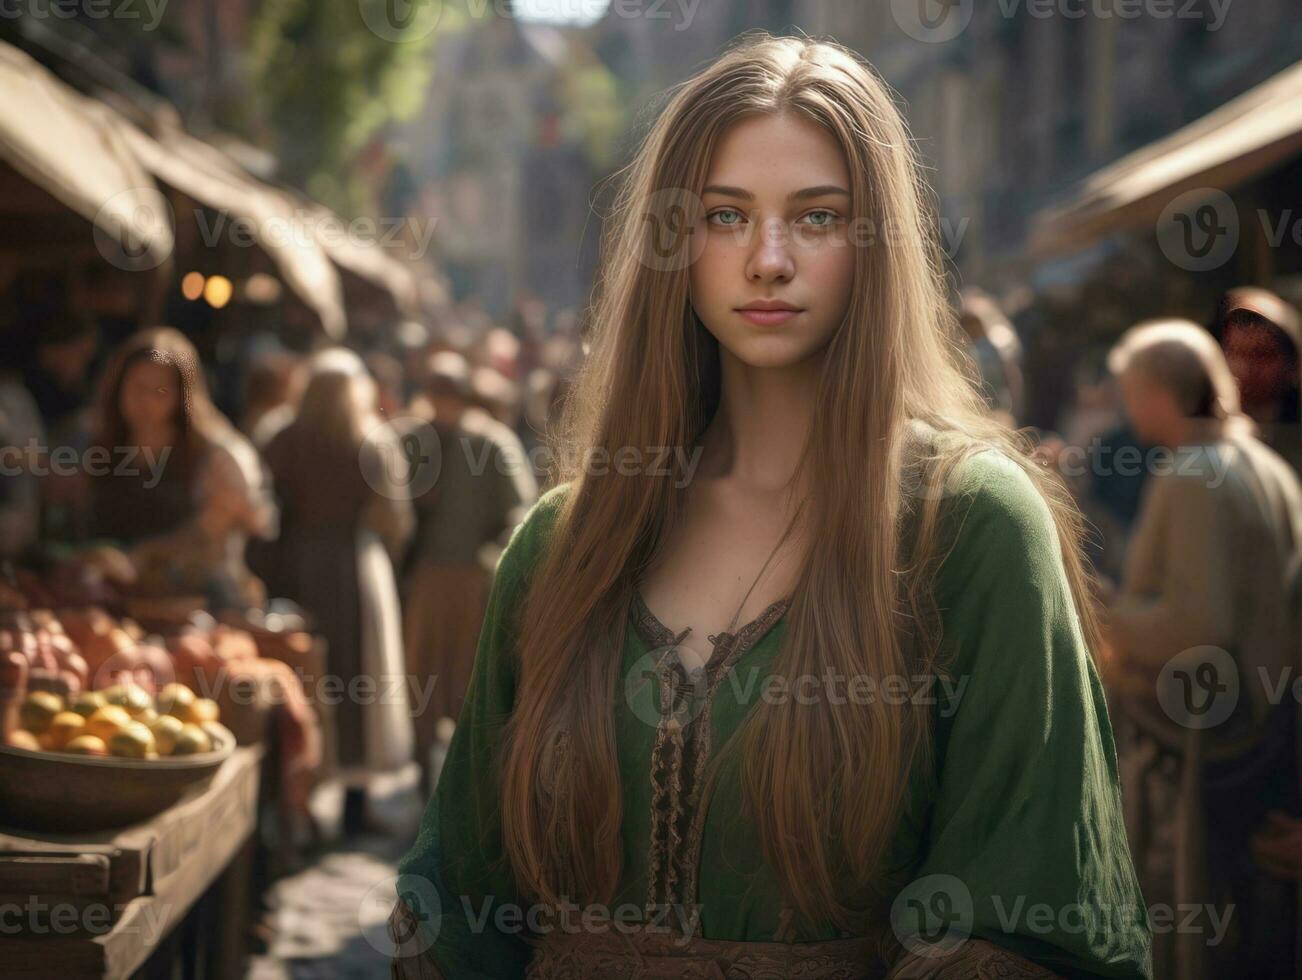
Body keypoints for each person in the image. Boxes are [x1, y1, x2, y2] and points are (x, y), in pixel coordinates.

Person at [390, 35, 1151, 979]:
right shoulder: (563, 544)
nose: (770, 259)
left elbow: (1031, 915)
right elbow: (462, 892)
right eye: (725, 214)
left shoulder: (970, 526)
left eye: (819, 217)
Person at [1103, 319, 1302, 980]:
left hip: (1204, 744)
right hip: (1263, 734)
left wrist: (1108, 618)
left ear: (1159, 393)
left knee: (1201, 934)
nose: (1128, 408)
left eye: (1132, 391)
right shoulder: (1264, 462)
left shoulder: (1193, 474)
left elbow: (1199, 627)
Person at [261, 349, 414, 835]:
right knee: (355, 676)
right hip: (354, 564)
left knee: (306, 671)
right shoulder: (372, 441)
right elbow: (393, 518)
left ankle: (296, 801)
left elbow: (268, 513)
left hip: (298, 563)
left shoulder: (284, 438)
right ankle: (352, 802)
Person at [401, 351, 537, 794]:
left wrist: (494, 560)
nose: (440, 405)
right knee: (421, 676)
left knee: (467, 678)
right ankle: (423, 772)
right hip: (426, 578)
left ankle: (466, 783)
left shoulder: (492, 444)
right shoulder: (413, 440)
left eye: (448, 395)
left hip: (473, 583)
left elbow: (520, 511)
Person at [88, 327, 275, 609]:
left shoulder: (218, 453)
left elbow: (248, 520)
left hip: (201, 607)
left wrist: (144, 556)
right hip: (115, 601)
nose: (147, 401)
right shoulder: (101, 444)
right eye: (138, 387)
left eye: (160, 391)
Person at [1213, 286, 1302, 477]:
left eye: (1262, 354)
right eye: (1235, 352)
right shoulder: (1207, 430)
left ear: (1292, 362)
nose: (1245, 368)